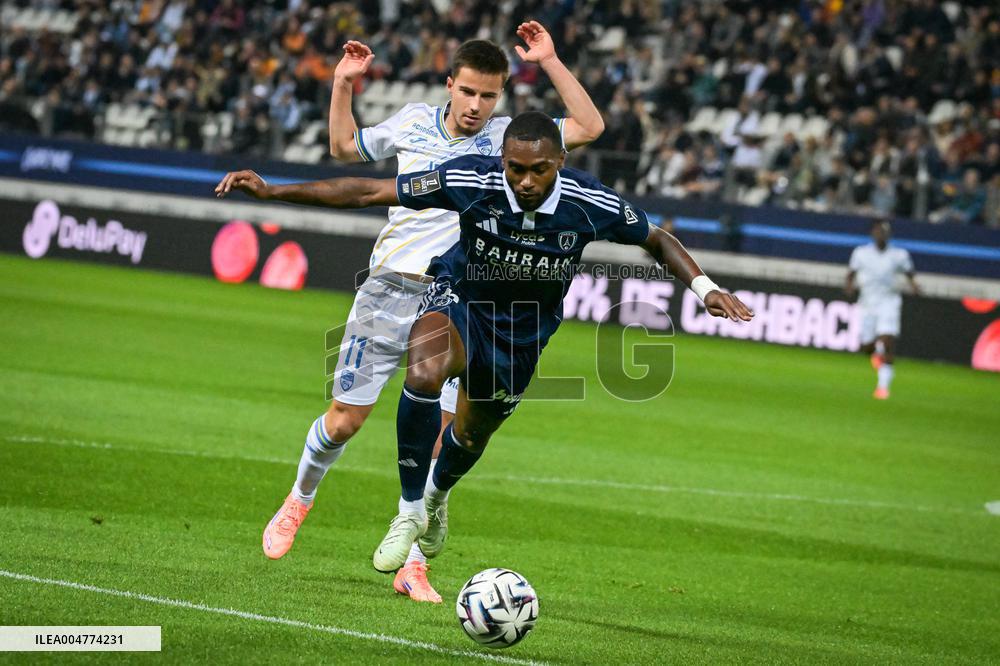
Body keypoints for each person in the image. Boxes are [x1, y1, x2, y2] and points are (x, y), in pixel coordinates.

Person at [215, 110, 754, 580]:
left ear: (560, 162)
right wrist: (274, 190)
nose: (523, 180)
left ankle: (435, 498)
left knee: (469, 437)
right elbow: (370, 190)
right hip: (459, 299)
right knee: (423, 372)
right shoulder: (472, 178)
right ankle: (408, 510)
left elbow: (655, 237)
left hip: (521, 333)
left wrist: (705, 288)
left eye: (537, 170)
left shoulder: (590, 202)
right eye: (514, 168)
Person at [257, 24, 605, 603]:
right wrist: (343, 84)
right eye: (468, 92)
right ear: (450, 85)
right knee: (344, 420)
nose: (476, 106)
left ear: (500, 99)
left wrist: (548, 60)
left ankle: (413, 563)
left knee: (445, 439)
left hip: (460, 301)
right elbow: (346, 150)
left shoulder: (507, 143)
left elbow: (590, 127)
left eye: (488, 96)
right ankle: (300, 497)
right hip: (391, 288)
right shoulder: (414, 121)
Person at [846, 219, 920, 399]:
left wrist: (914, 285)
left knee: (887, 339)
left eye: (884, 233)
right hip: (868, 302)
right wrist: (848, 285)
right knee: (866, 346)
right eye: (878, 232)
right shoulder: (861, 253)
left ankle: (883, 387)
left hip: (889, 301)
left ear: (889, 236)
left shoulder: (899, 255)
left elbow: (909, 272)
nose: (881, 236)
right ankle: (876, 354)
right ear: (872, 233)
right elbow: (851, 272)